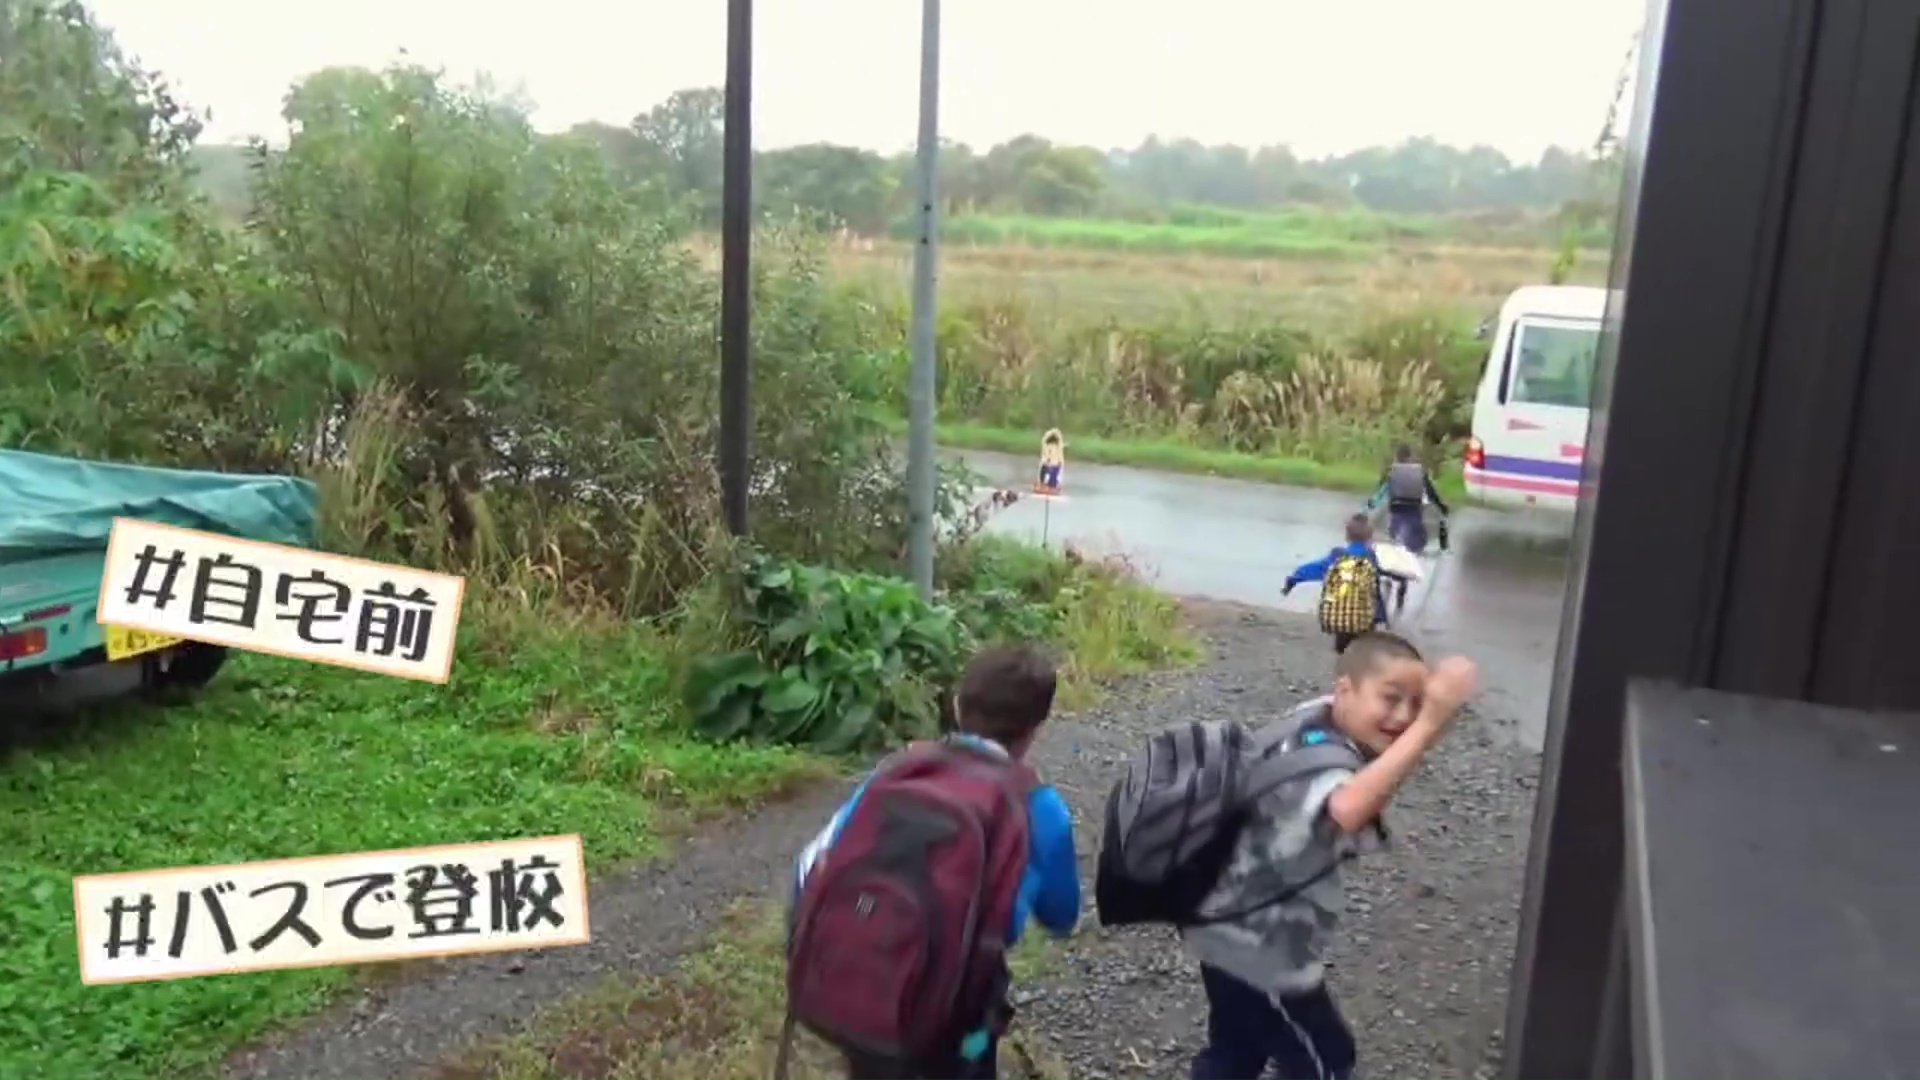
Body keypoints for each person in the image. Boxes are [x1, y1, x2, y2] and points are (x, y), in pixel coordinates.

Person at [1181, 632, 1479, 1080]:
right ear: (1345, 690)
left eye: (1413, 703)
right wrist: (1429, 722)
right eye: (1391, 698)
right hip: (1257, 944)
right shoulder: (1323, 761)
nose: (1401, 715)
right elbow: (1348, 808)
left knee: (1236, 1049)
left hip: (1216, 917)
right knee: (1326, 1060)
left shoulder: (1311, 718)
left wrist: (1426, 715)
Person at [785, 645, 1081, 1080]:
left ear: (958, 705)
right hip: (958, 1019)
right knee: (975, 1046)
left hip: (866, 992)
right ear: (1036, 727)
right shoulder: (1038, 807)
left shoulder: (901, 771)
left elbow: (808, 869)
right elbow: (1061, 917)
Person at [1282, 514, 1407, 653]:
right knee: (1364, 646)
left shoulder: (1337, 556)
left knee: (1342, 647)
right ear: (1370, 537)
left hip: (1340, 616)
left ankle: (1343, 661)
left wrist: (1292, 580)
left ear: (1347, 536)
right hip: (1366, 617)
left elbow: (1312, 569)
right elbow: (1389, 576)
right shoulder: (1372, 557)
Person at [1366, 444, 1451, 613]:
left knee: (1395, 547)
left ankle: (1389, 577)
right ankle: (1402, 586)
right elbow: (1432, 494)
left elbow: (1380, 495)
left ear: (1397, 457)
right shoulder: (1420, 473)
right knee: (1408, 552)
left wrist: (1370, 505)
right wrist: (1442, 508)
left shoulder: (1391, 472)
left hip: (1397, 513)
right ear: (1410, 457)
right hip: (1414, 515)